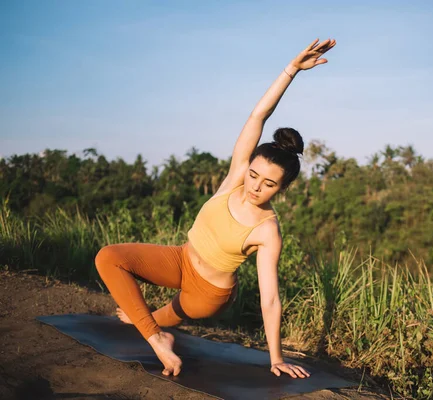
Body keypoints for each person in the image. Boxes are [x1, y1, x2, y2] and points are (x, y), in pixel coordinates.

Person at [95, 38, 336, 379]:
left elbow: (270, 299)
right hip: (179, 260)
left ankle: (155, 327)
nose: (255, 186)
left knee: (145, 317)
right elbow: (258, 115)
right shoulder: (236, 177)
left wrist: (276, 358)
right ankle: (156, 334)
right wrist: (291, 70)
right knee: (108, 257)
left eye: (268, 184)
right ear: (247, 167)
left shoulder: (267, 230)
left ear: (282, 188)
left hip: (207, 294)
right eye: (254, 175)